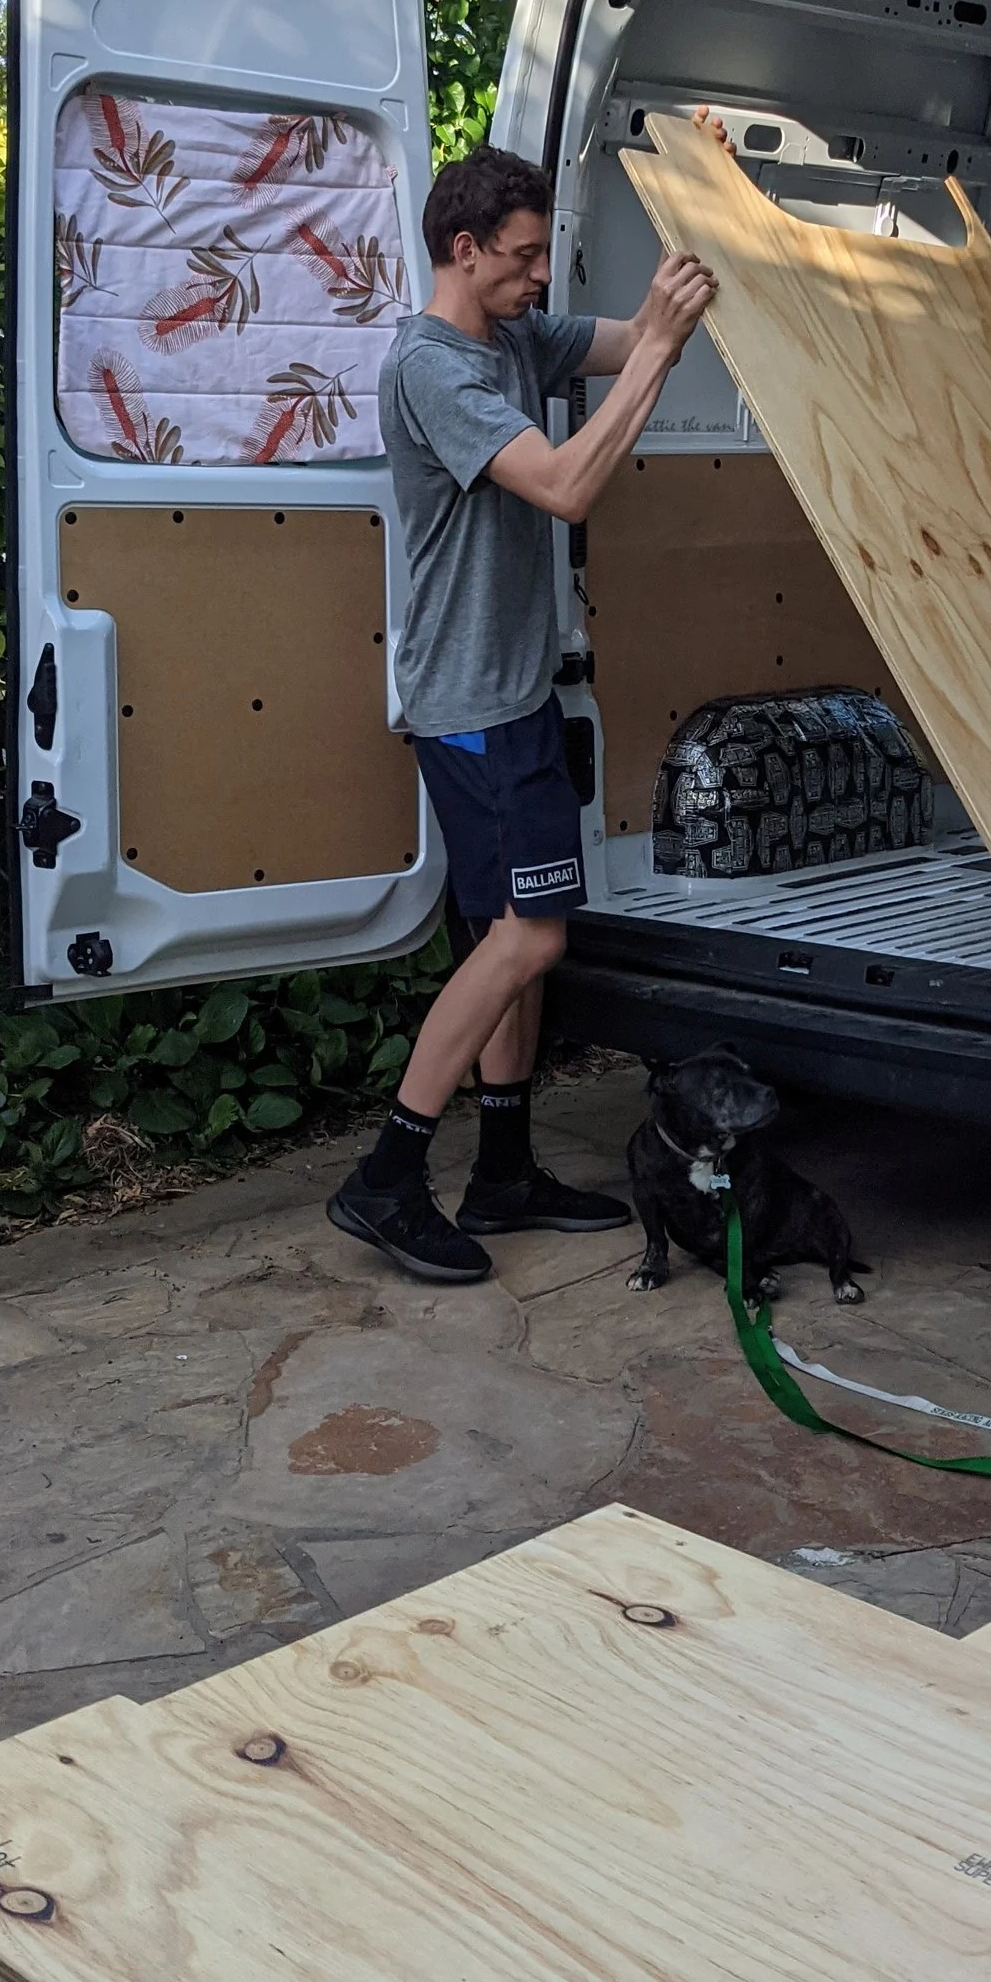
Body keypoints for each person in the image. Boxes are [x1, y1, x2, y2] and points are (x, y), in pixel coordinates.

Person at [328, 135, 719, 1282]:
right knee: (527, 936)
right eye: (525, 256)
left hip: (511, 696)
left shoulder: (509, 340)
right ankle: (387, 1178)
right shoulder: (435, 369)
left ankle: (502, 1172)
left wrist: (680, 305)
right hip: (473, 708)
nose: (543, 276)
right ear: (464, 249)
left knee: (519, 945)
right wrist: (652, 352)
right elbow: (564, 484)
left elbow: (621, 341)